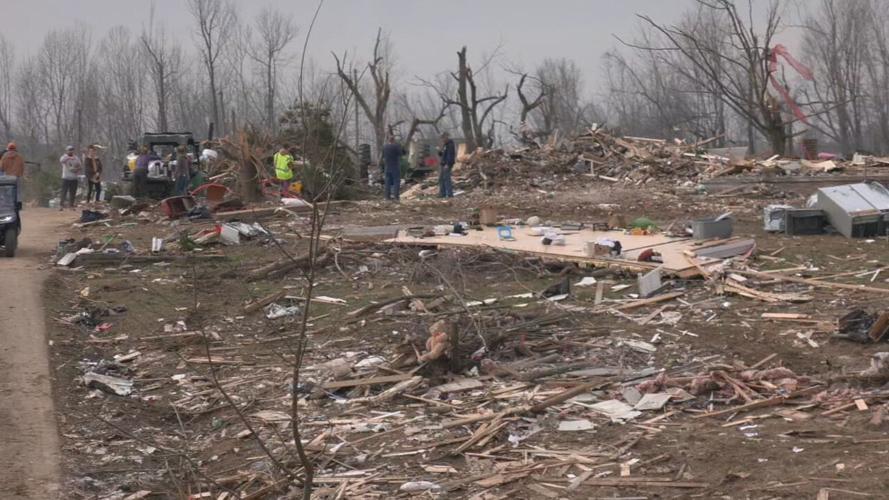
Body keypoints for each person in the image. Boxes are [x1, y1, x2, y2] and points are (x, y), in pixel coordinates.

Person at [382, 135, 404, 201]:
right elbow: (401, 154)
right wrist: (400, 146)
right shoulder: (396, 146)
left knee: (387, 182)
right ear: (393, 140)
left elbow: (383, 156)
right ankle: (396, 197)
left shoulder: (384, 146)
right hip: (395, 166)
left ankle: (387, 197)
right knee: (396, 181)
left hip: (387, 167)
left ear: (388, 140)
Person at [59, 145, 82, 210]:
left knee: (73, 192)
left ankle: (71, 206)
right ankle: (61, 205)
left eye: (72, 150)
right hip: (66, 177)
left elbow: (80, 166)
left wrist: (76, 169)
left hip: (74, 178)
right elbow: (61, 161)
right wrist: (68, 157)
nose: (71, 151)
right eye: (69, 150)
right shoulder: (64, 157)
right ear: (66, 150)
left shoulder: (76, 158)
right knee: (64, 192)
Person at [438, 132, 456, 198]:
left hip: (447, 164)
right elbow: (442, 154)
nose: (442, 139)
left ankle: (450, 194)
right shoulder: (445, 145)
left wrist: (447, 164)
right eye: (442, 138)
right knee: (441, 179)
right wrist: (440, 151)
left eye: (443, 137)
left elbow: (450, 155)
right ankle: (442, 194)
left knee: (446, 179)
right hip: (443, 163)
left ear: (446, 137)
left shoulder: (450, 145)